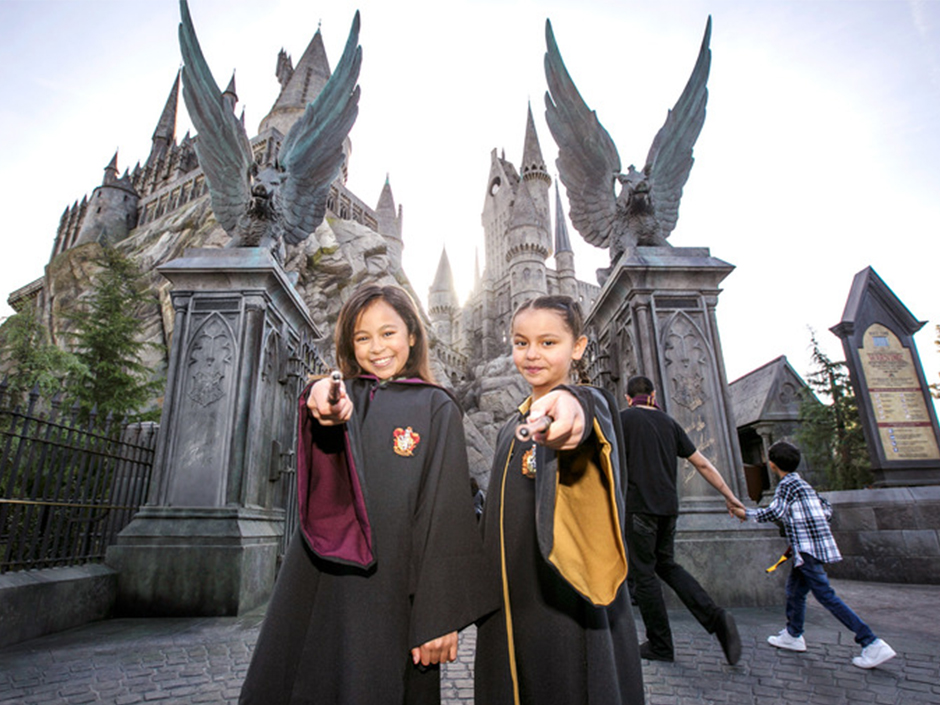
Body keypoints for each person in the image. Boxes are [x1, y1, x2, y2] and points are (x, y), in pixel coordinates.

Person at [239, 284, 497, 705]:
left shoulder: (437, 406)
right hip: (323, 576)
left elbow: (445, 512)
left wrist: (438, 615)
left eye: (388, 333)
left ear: (412, 335)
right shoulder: (344, 394)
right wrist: (318, 396)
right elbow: (324, 401)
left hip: (393, 588)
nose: (376, 347)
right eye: (362, 337)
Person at [474, 295, 644, 705]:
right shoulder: (510, 430)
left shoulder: (590, 407)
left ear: (578, 347)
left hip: (566, 614)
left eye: (548, 342)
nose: (532, 354)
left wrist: (571, 402)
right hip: (508, 609)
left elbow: (584, 416)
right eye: (520, 342)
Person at [731, 440, 897, 669]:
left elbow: (775, 512)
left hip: (807, 550)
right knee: (795, 591)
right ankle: (793, 634)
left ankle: (871, 642)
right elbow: (826, 509)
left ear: (771, 464)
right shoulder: (802, 483)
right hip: (812, 548)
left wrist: (744, 513)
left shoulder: (786, 486)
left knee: (826, 596)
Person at [620, 375, 744, 665]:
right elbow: (701, 462)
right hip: (668, 508)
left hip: (640, 508)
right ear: (653, 394)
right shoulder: (669, 423)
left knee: (644, 573)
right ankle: (716, 617)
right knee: (667, 565)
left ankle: (661, 644)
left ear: (628, 398)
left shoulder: (623, 420)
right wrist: (730, 496)